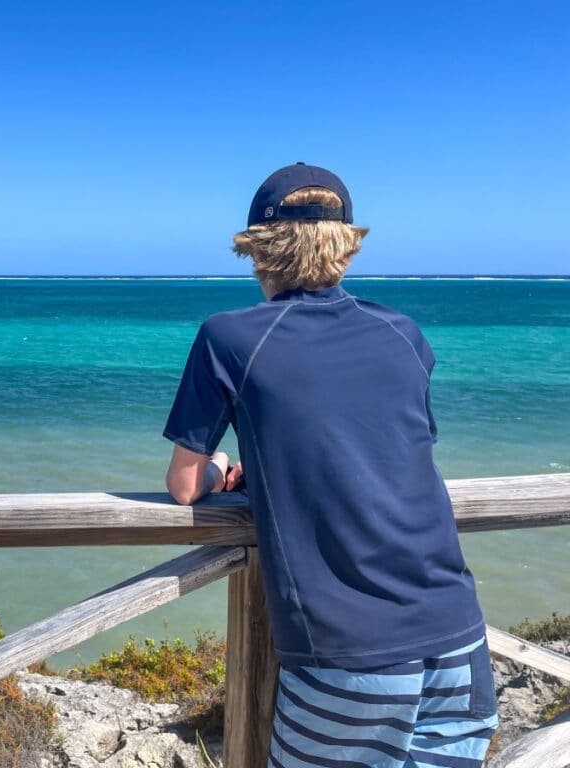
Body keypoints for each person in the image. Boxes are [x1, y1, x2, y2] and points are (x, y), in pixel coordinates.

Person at [162, 163, 498, 768]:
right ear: (345, 246)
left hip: (349, 654)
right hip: (459, 638)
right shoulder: (404, 333)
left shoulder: (229, 338)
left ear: (259, 251)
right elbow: (391, 451)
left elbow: (185, 485)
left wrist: (222, 468)